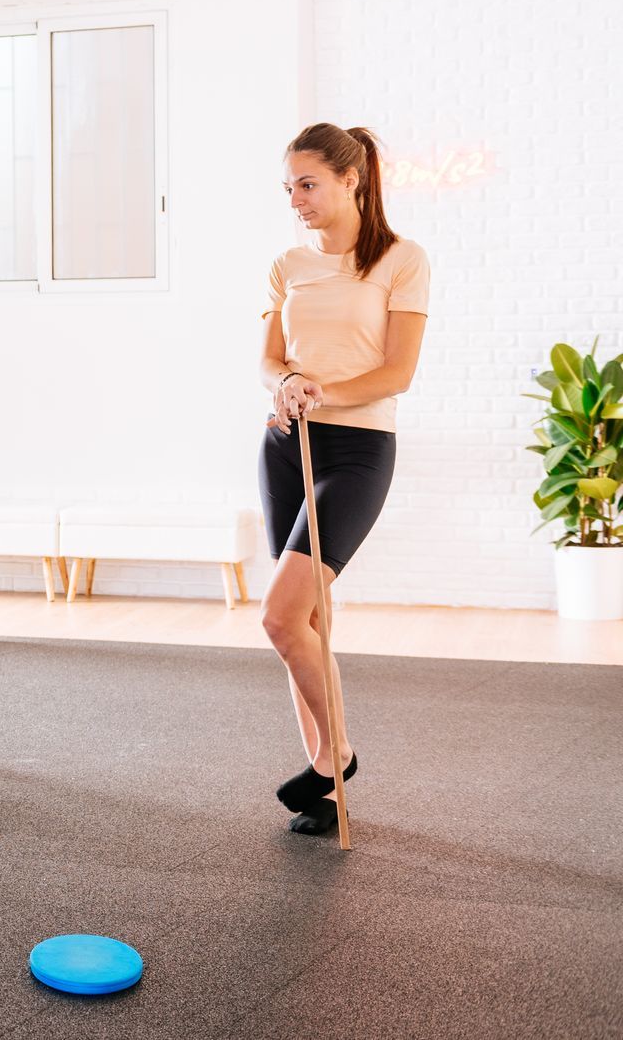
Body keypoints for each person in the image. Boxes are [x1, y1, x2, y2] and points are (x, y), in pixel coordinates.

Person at [259, 122, 429, 836]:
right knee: (310, 619)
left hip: (358, 450)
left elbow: (398, 372)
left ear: (350, 179)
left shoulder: (400, 259)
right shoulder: (288, 264)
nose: (296, 198)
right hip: (284, 444)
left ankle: (339, 758)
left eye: (308, 183)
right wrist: (289, 381)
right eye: (289, 187)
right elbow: (270, 359)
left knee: (279, 615)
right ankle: (325, 783)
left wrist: (319, 387)